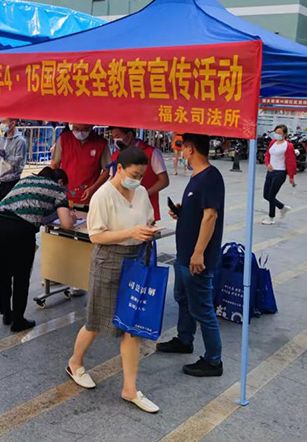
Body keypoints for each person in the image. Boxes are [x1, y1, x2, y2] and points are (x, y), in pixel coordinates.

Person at [66, 146, 161, 414]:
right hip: (109, 259)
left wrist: (148, 230)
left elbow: (147, 219)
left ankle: (130, 388)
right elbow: (96, 236)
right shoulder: (103, 195)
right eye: (134, 174)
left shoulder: (141, 192)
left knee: (131, 326)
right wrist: (130, 232)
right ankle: (75, 362)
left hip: (136, 260)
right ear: (119, 168)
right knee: (97, 320)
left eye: (141, 176)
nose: (138, 180)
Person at [156, 134, 225, 377]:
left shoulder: (211, 177)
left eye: (182, 148)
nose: (181, 153)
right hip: (184, 254)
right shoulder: (196, 176)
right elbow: (199, 211)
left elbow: (210, 216)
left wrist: (198, 253)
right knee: (183, 298)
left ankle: (213, 360)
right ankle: (184, 340)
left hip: (197, 258)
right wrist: (182, 212)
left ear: (191, 149)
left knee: (202, 308)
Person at [0, 167, 76, 331]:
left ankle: (7, 314)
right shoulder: (57, 189)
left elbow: (33, 208)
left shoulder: (26, 180)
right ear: (60, 182)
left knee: (3, 271)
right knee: (21, 274)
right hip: (20, 228)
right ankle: (18, 320)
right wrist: (72, 217)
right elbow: (66, 224)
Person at [0, 117, 27, 250]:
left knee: (9, 214)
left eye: (4, 122)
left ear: (13, 123)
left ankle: (10, 240)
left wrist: (3, 153)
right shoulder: (0, 139)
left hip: (10, 182)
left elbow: (19, 162)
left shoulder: (20, 141)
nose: (2, 125)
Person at [110, 127, 170, 220]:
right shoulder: (115, 155)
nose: (115, 140)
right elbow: (112, 178)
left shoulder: (152, 152)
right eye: (113, 137)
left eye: (117, 136)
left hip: (146, 209)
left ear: (129, 135)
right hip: (121, 209)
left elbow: (164, 181)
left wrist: (144, 194)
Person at [51, 123, 111, 211]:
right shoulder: (64, 139)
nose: (80, 132)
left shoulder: (101, 143)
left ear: (91, 127)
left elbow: (107, 170)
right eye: (76, 128)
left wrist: (93, 188)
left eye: (85, 129)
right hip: (65, 196)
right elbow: (54, 164)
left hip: (88, 197)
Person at [262, 124, 296, 225]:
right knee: (266, 195)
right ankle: (282, 207)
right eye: (276, 132)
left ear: (284, 134)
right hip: (270, 171)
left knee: (271, 195)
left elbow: (291, 161)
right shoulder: (273, 142)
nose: (277, 135)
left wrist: (291, 176)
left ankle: (271, 217)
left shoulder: (288, 146)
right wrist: (268, 164)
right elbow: (267, 154)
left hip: (280, 172)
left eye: (279, 133)